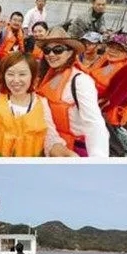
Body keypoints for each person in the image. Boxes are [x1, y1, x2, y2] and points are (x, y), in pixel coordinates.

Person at [0, 51, 77, 157]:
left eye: (22, 74)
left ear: (33, 76)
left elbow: (50, 139)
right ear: (4, 76)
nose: (16, 80)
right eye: (10, 74)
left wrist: (66, 153)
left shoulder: (42, 103)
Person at [36, 27, 109, 157]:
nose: (51, 55)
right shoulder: (46, 76)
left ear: (70, 53)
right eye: (47, 50)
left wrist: (98, 159)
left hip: (72, 150)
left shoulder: (80, 81)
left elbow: (95, 123)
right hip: (49, 143)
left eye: (58, 50)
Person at [91, 34, 127, 127]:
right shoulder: (106, 60)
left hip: (108, 118)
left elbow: (111, 102)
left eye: (119, 49)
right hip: (91, 100)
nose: (113, 51)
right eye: (111, 47)